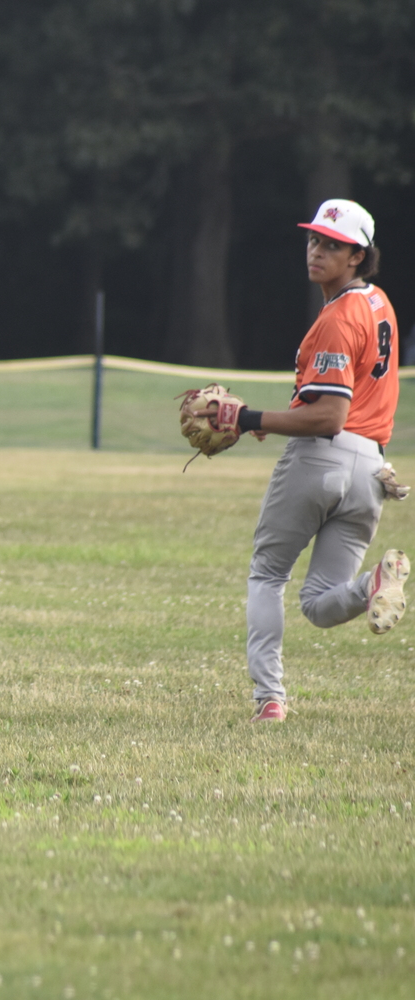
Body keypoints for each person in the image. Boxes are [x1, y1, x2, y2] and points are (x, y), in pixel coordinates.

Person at [234, 198, 406, 723]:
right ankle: (374, 582)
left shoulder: (336, 318)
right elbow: (353, 398)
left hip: (322, 459)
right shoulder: (379, 304)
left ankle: (270, 699)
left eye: (333, 245)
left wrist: (248, 419)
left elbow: (330, 416)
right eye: (313, 240)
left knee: (267, 575)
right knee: (321, 603)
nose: (317, 251)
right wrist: (283, 416)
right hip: (372, 469)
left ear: (358, 255)